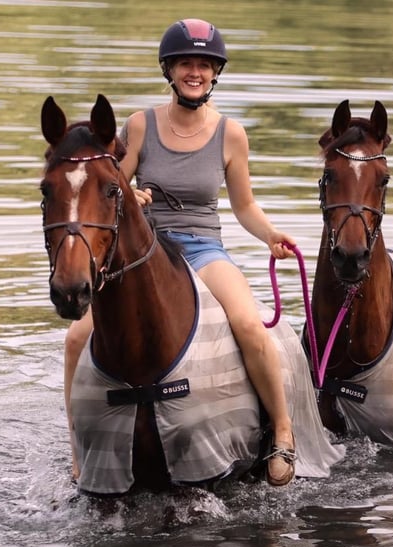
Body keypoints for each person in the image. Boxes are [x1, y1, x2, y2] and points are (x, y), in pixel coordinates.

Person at [63, 18, 298, 486]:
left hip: (202, 247)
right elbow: (113, 186)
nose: (196, 72)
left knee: (251, 326)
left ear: (215, 74)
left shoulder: (231, 134)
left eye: (205, 65)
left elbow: (244, 205)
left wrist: (270, 234)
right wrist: (134, 197)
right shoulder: (141, 125)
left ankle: (283, 434)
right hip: (143, 252)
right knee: (74, 338)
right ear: (169, 70)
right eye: (187, 64)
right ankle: (77, 447)